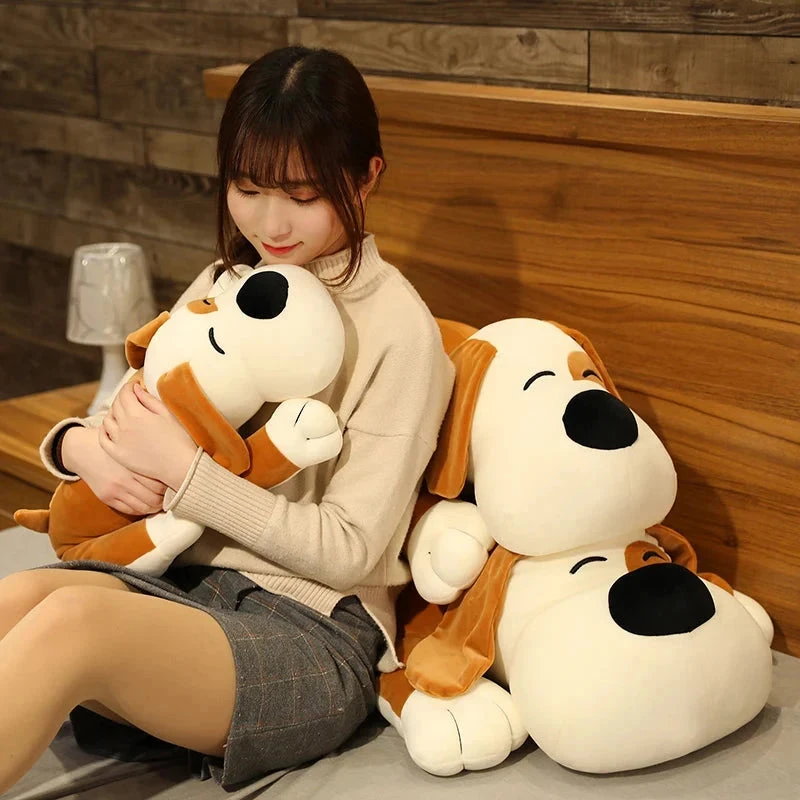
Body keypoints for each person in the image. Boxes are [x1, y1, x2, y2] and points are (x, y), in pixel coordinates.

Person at [0, 46, 454, 792]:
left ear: (367, 176)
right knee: (18, 598)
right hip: (181, 583)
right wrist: (80, 446)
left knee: (71, 624)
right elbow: (135, 412)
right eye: (247, 188)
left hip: (309, 630)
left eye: (303, 195)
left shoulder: (401, 333)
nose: (270, 222)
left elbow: (349, 550)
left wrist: (187, 475)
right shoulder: (226, 280)